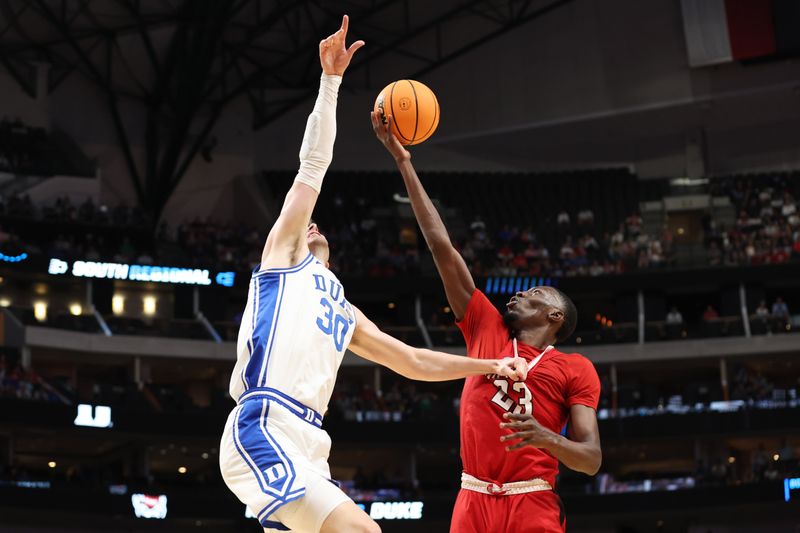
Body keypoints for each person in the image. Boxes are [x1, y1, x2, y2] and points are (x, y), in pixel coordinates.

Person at [219, 17, 527, 533]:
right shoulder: (283, 256)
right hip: (264, 423)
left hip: (311, 444)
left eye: (318, 227)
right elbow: (312, 164)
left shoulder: (343, 310)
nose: (310, 223)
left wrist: (491, 366)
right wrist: (331, 81)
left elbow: (412, 361)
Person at [372, 114, 601, 533]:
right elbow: (441, 247)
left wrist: (547, 438)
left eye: (534, 294)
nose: (518, 295)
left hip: (532, 497)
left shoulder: (575, 368)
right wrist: (404, 162)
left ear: (556, 316)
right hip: (472, 496)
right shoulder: (485, 325)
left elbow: (590, 459)